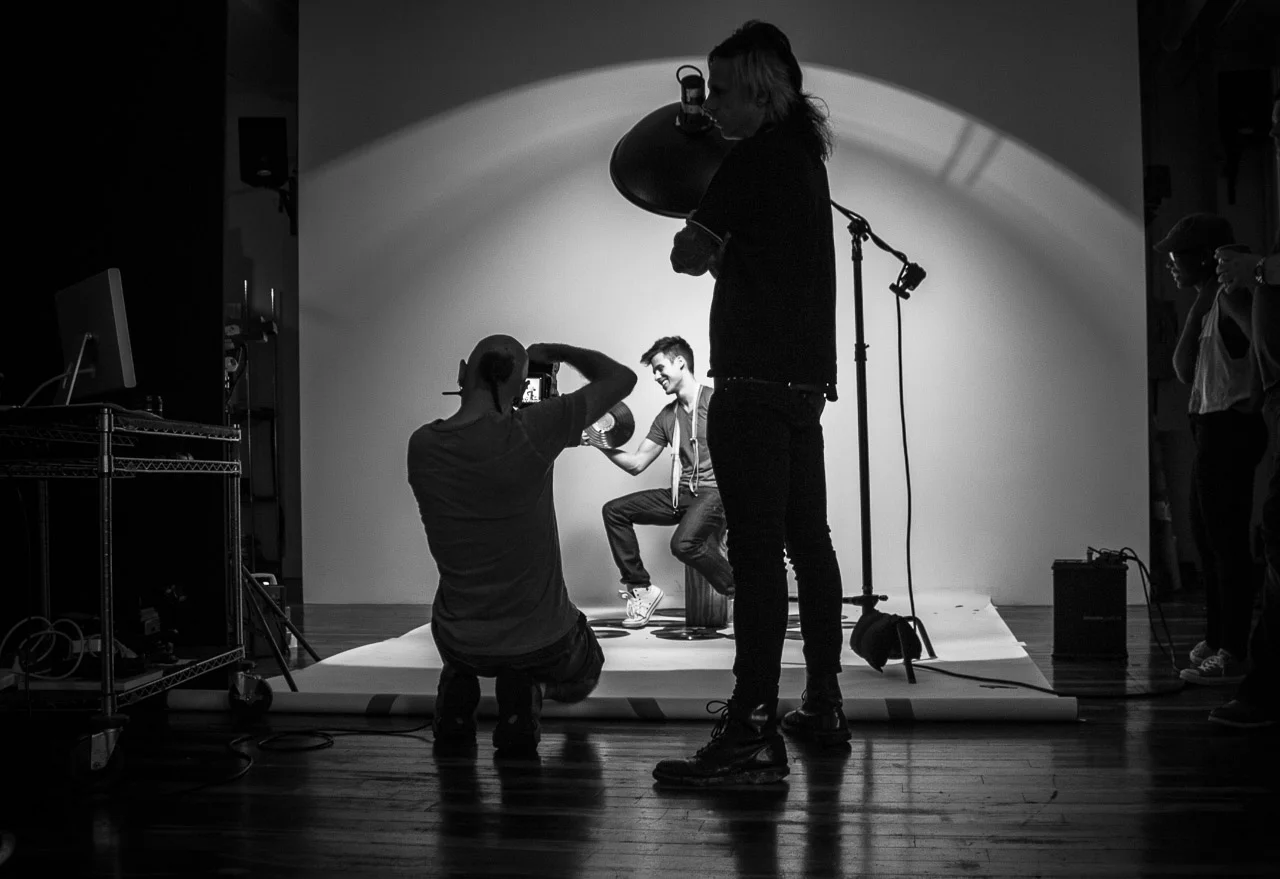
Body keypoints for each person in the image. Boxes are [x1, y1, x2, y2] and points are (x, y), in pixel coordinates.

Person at [654, 20, 848, 787]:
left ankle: (750, 731)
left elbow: (687, 253)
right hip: (801, 387)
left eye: (725, 89)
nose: (713, 104)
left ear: (762, 93)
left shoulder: (752, 157)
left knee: (759, 554)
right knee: (810, 544)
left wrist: (704, 215)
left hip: (749, 386)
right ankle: (823, 703)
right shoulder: (804, 158)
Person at [407, 335, 636, 754]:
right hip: (541, 643)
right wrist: (561, 353)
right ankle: (523, 692)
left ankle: (457, 697)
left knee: (464, 648)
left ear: (462, 373)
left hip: (458, 640)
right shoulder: (535, 429)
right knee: (586, 667)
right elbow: (622, 379)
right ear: (519, 387)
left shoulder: (422, 446)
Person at [1163, 213, 1268, 686]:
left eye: (1176, 256)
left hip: (1229, 427)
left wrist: (1256, 396)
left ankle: (1233, 653)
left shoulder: (1229, 297)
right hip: (1210, 427)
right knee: (1207, 541)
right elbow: (1184, 368)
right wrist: (1203, 297)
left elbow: (1264, 343)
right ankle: (1217, 638)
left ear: (1205, 258)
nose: (1170, 265)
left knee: (1226, 546)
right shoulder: (1211, 302)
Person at [1208, 92, 1280, 727]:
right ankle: (1246, 668)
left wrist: (1255, 274)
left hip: (1243, 419)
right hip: (1262, 411)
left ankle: (1247, 669)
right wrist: (1237, 287)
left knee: (1247, 540)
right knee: (1241, 537)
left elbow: (1255, 366)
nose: (1274, 139)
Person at [596, 336, 734, 628]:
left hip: (715, 493)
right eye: (655, 372)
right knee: (614, 511)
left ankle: (741, 590)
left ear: (680, 363)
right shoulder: (667, 416)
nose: (657, 377)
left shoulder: (716, 401)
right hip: (682, 495)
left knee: (683, 544)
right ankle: (641, 588)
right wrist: (600, 442)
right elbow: (637, 463)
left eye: (660, 368)